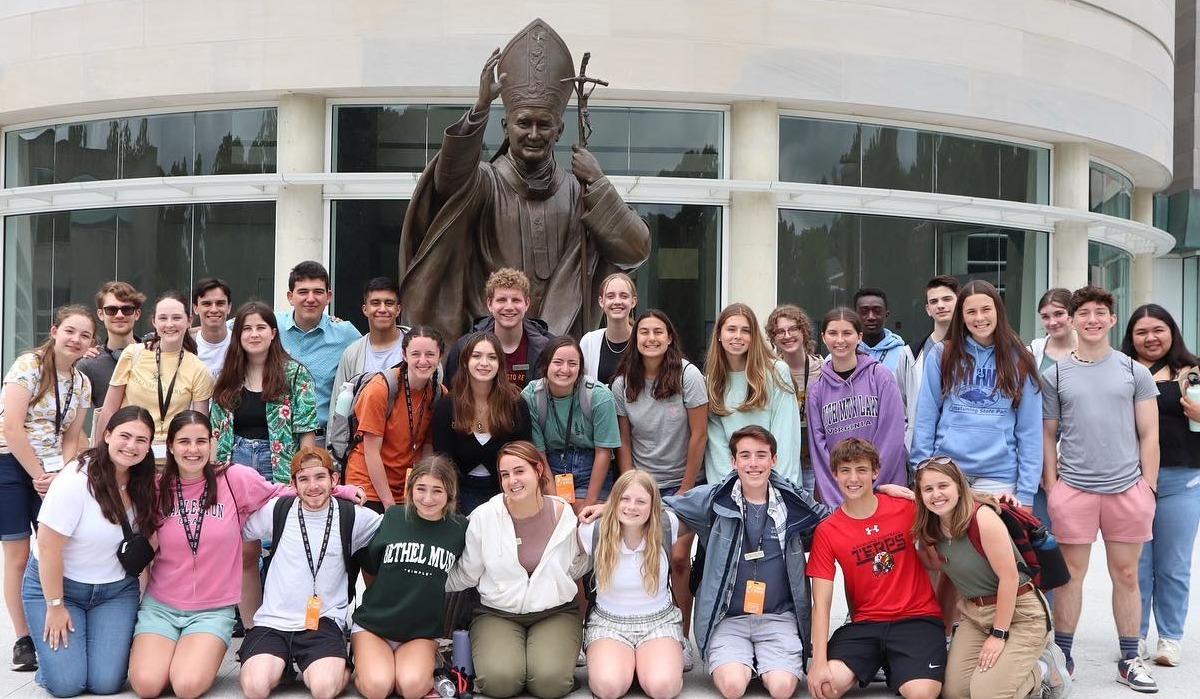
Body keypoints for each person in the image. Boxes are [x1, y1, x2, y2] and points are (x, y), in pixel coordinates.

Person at [397, 18, 650, 340]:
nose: (533, 134)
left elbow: (635, 251)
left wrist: (598, 183)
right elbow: (449, 181)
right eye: (523, 123)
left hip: (561, 354)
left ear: (558, 129)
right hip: (489, 348)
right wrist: (479, 108)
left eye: (544, 125)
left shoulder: (579, 192)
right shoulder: (485, 183)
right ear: (506, 126)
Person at [127, 411, 360, 699]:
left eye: (201, 441)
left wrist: (341, 492)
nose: (193, 449)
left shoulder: (233, 479)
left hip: (211, 609)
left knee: (186, 686)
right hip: (161, 604)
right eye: (184, 441)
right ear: (171, 446)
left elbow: (286, 491)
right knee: (147, 686)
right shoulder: (157, 487)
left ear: (212, 443)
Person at [1042, 285, 1160, 692]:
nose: (1092, 319)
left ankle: (1130, 658)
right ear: (1072, 321)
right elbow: (1047, 434)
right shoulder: (1055, 374)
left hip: (1127, 489)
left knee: (1127, 574)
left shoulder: (1134, 371)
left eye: (1100, 313)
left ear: (1111, 320)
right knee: (1071, 576)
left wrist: (1148, 487)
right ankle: (1063, 657)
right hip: (1073, 489)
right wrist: (1053, 486)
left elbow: (1149, 434)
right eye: (1084, 313)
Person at [665, 425, 829, 699]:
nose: (753, 463)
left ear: (773, 460)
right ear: (733, 461)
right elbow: (662, 509)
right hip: (729, 618)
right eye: (745, 455)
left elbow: (839, 520)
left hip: (778, 616)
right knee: (732, 687)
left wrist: (883, 496)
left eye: (761, 455)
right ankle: (744, 662)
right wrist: (610, 508)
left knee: (782, 688)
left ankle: (766, 663)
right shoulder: (714, 498)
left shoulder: (794, 501)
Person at [19, 406, 157, 697]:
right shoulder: (75, 479)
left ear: (149, 446)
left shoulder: (143, 481)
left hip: (115, 591)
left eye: (141, 440)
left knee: (106, 683)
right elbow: (47, 546)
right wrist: (55, 606)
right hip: (61, 587)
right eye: (125, 436)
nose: (131, 446)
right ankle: (52, 666)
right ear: (107, 435)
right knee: (67, 685)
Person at [912, 454, 1071, 699]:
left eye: (943, 486)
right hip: (976, 615)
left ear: (959, 486)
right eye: (928, 489)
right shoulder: (933, 525)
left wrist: (998, 635)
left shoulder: (982, 517)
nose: (936, 494)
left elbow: (1009, 579)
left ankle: (1043, 670)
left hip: (1020, 613)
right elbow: (933, 563)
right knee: (955, 692)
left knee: (987, 695)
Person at [447, 441, 590, 699]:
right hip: (497, 613)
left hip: (554, 612)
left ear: (538, 470)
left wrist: (593, 541)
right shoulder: (484, 517)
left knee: (550, 683)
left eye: (519, 471)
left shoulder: (564, 515)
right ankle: (517, 662)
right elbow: (468, 573)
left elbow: (576, 567)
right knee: (499, 682)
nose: (512, 480)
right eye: (505, 474)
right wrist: (428, 581)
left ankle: (542, 664)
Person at [238, 447, 382, 699]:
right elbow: (235, 526)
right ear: (293, 484)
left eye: (320, 477)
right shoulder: (278, 510)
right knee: (254, 688)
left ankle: (311, 665)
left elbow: (395, 532)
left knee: (324, 689)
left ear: (334, 480)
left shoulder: (352, 516)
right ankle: (284, 664)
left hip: (323, 620)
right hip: (274, 620)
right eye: (304, 479)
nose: (313, 486)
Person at [209, 301, 320, 627]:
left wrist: (304, 476)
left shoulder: (295, 374)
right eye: (247, 328)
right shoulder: (227, 377)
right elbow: (216, 433)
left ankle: (285, 626)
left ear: (273, 332)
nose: (254, 334)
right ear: (237, 335)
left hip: (281, 468)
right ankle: (254, 630)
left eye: (261, 327)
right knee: (245, 553)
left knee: (285, 550)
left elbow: (306, 433)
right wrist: (215, 478)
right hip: (235, 470)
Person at [806, 438, 944, 699]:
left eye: (861, 469)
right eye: (845, 470)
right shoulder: (827, 530)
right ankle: (884, 661)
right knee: (825, 688)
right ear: (834, 474)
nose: (853, 478)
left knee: (921, 693)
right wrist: (819, 662)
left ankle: (897, 664)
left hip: (915, 619)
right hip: (866, 623)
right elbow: (821, 603)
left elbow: (947, 506)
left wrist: (912, 494)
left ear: (875, 472)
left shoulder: (906, 507)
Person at [1, 305, 96, 673]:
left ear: (91, 342)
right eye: (70, 331)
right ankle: (23, 639)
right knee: (19, 557)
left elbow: (73, 437)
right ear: (55, 330)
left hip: (54, 474)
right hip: (11, 464)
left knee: (54, 551)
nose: (76, 340)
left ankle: (55, 625)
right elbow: (11, 426)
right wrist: (39, 474)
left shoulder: (82, 382)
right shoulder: (28, 365)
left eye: (85, 335)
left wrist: (62, 473)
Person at [611, 308, 706, 664]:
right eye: (644, 332)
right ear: (635, 339)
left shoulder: (688, 375)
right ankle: (643, 632)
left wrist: (683, 492)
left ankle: (680, 639)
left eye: (658, 332)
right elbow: (623, 440)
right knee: (644, 558)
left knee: (679, 558)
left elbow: (698, 437)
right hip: (642, 485)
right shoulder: (623, 383)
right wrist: (631, 488)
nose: (651, 338)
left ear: (669, 338)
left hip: (684, 484)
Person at [911, 280, 1042, 508]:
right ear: (961, 316)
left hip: (999, 476)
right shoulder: (943, 354)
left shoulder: (1020, 359)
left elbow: (1030, 431)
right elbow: (925, 417)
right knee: (947, 543)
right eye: (971, 311)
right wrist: (922, 471)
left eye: (986, 310)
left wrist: (1027, 492)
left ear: (998, 312)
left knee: (991, 542)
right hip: (947, 471)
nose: (979, 318)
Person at [1121, 304, 1200, 667]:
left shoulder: (1194, 371)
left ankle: (1169, 638)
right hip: (1129, 480)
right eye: (1141, 332)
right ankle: (1133, 636)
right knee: (1135, 565)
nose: (1150, 338)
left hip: (1182, 479)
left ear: (1172, 331)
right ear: (1130, 336)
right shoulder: (1119, 371)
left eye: (1158, 330)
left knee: (1173, 564)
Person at [351, 455, 467, 699]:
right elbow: (370, 566)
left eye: (437, 490)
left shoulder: (459, 529)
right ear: (410, 488)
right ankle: (368, 664)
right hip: (375, 627)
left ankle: (426, 666)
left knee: (412, 688)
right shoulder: (393, 517)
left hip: (420, 632)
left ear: (450, 493)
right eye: (421, 488)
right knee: (378, 688)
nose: (427, 498)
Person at [577, 470, 683, 699]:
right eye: (624, 499)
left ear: (653, 505)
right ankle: (627, 664)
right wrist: (607, 508)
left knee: (663, 687)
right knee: (608, 687)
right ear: (614, 500)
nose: (631, 507)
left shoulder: (667, 525)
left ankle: (647, 662)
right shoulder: (592, 531)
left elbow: (701, 510)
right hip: (609, 623)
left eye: (641, 501)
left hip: (658, 621)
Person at [94, 291, 213, 458]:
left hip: (172, 458)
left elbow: (199, 424)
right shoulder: (133, 354)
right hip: (129, 452)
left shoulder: (198, 369)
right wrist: (99, 454)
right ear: (154, 322)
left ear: (189, 321)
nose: (170, 324)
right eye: (163, 318)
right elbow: (109, 409)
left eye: (177, 318)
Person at [806, 308, 907, 505]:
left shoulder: (881, 377)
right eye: (833, 333)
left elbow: (891, 438)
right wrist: (840, 494)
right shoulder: (817, 390)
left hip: (883, 491)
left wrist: (871, 485)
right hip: (840, 497)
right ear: (823, 338)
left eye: (847, 333)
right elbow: (819, 449)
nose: (840, 340)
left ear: (859, 337)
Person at [431, 331, 532, 515]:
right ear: (465, 362)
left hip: (506, 493)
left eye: (492, 357)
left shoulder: (515, 403)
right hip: (458, 493)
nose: (484, 363)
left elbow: (524, 456)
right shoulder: (448, 405)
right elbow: (443, 461)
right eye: (476, 356)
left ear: (500, 363)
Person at [344, 327, 444, 512]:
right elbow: (371, 451)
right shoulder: (380, 389)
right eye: (415, 354)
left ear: (439, 357)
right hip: (369, 486)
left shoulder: (438, 393)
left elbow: (427, 449)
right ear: (404, 355)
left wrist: (421, 492)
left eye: (430, 354)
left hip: (407, 488)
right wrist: (388, 503)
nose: (423, 361)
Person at [704, 303, 800, 485]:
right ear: (718, 335)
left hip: (776, 484)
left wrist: (779, 488)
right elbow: (717, 450)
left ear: (754, 336)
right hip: (732, 488)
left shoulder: (776, 372)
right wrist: (730, 490)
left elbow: (786, 437)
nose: (738, 336)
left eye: (746, 331)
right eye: (731, 329)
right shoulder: (712, 382)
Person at [522, 336, 622, 512]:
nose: (565, 370)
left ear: (581, 368)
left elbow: (604, 452)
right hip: (549, 467)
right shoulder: (531, 397)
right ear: (545, 365)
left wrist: (589, 503)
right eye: (558, 362)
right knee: (553, 519)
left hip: (591, 467)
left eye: (572, 364)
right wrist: (557, 505)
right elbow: (539, 453)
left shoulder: (599, 396)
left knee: (587, 523)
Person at [277, 261, 362, 442]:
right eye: (303, 292)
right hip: (273, 441)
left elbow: (374, 349)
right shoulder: (270, 325)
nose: (310, 298)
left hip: (321, 441)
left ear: (328, 296)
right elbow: (223, 329)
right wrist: (198, 332)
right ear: (290, 297)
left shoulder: (345, 333)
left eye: (318, 292)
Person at [443, 268, 554, 390]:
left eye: (516, 300)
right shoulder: (463, 348)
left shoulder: (549, 348)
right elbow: (452, 396)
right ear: (489, 304)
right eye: (501, 300)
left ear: (527, 303)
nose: (509, 307)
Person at [1028, 287, 1075, 542]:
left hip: (1072, 457)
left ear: (1072, 315)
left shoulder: (1087, 352)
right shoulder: (1031, 353)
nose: (1052, 321)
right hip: (1037, 454)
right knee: (1041, 537)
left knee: (1069, 540)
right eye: (1045, 316)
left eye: (1059, 313)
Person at [895, 276, 960, 449]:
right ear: (927, 309)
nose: (940, 305)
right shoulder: (910, 354)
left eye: (947, 299)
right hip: (921, 450)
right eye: (934, 301)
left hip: (962, 447)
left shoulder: (974, 350)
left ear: (960, 303)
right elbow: (899, 405)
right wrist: (907, 440)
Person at [765, 304, 825, 493]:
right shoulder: (768, 372)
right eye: (780, 331)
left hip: (814, 461)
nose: (787, 335)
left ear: (804, 332)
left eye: (793, 329)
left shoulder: (823, 369)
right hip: (782, 460)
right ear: (773, 337)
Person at [330, 277, 408, 415]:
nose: (382, 309)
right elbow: (339, 409)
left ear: (398, 309)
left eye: (389, 303)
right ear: (365, 309)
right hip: (363, 434)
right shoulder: (352, 354)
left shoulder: (418, 347)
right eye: (375, 303)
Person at [78, 281, 144, 421]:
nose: (119, 315)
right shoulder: (89, 365)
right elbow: (73, 417)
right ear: (101, 314)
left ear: (137, 314)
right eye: (111, 310)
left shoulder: (155, 354)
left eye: (127, 309)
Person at [581, 272, 638, 384]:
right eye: (610, 296)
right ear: (601, 301)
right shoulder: (589, 342)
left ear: (633, 301)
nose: (617, 301)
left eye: (624, 296)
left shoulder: (643, 340)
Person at [854, 287, 906, 373]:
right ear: (855, 316)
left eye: (877, 311)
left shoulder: (903, 355)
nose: (871, 317)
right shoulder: (842, 353)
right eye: (864, 311)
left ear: (886, 315)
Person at [190, 277, 232, 377]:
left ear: (229, 307)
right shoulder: (186, 346)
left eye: (220, 303)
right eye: (206, 304)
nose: (213, 309)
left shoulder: (241, 344)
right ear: (195, 308)